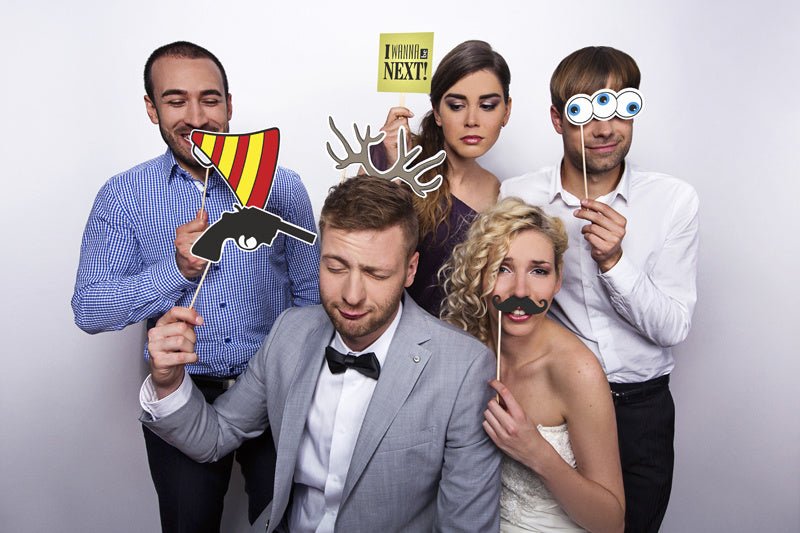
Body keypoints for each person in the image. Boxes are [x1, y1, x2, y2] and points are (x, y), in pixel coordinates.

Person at [139, 175, 501, 532]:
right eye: (336, 267)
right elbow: (218, 435)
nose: (352, 295)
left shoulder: (464, 368)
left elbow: (465, 527)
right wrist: (168, 382)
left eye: (376, 274)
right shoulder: (289, 333)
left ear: (410, 270)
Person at [71, 41, 320, 532]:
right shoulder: (123, 196)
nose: (196, 117)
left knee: (287, 523)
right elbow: (90, 309)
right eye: (175, 100)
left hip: (275, 391)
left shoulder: (280, 186)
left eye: (209, 99)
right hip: (182, 391)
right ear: (152, 109)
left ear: (229, 104)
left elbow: (312, 298)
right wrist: (178, 271)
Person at [501, 46, 699, 532]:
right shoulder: (519, 197)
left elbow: (673, 328)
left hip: (640, 410)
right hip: (554, 402)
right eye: (585, 111)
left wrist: (614, 263)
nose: (605, 128)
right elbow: (498, 295)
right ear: (557, 119)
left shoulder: (673, 200)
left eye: (619, 108)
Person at [441, 197, 625, 532]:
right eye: (503, 268)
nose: (521, 291)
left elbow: (611, 522)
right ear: (479, 275)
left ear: (557, 280)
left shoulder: (576, 371)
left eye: (539, 271)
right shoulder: (466, 348)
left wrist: (535, 451)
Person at [375, 39, 512, 316]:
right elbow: (355, 242)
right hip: (382, 327)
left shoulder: (504, 194)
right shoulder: (391, 156)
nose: (472, 120)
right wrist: (390, 170)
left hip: (457, 336)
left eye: (487, 105)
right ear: (437, 112)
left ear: (506, 111)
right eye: (457, 106)